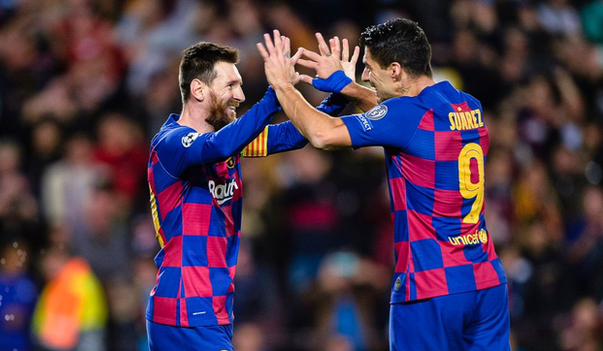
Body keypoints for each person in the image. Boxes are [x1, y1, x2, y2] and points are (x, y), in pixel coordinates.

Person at [257, 20, 510, 350]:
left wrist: (283, 87)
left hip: (430, 285)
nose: (365, 77)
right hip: (485, 280)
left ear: (395, 70)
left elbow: (322, 133)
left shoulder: (405, 116)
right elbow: (407, 124)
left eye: (369, 69)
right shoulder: (468, 106)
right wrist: (349, 89)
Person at [146, 41, 353, 350]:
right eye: (231, 85)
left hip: (208, 308)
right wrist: (275, 93)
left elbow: (292, 136)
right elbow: (215, 147)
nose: (240, 96)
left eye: (241, 85)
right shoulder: (171, 144)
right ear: (199, 90)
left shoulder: (228, 140)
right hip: (185, 305)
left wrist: (339, 96)